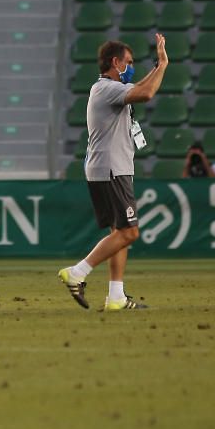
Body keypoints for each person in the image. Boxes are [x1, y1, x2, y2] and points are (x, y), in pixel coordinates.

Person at [58, 34, 169, 311]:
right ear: (115, 62)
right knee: (130, 233)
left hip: (108, 167)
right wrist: (163, 66)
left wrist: (156, 68)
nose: (131, 67)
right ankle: (77, 272)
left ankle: (116, 296)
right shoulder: (105, 88)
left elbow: (140, 86)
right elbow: (146, 92)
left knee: (119, 232)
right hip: (111, 168)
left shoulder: (109, 89)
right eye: (128, 62)